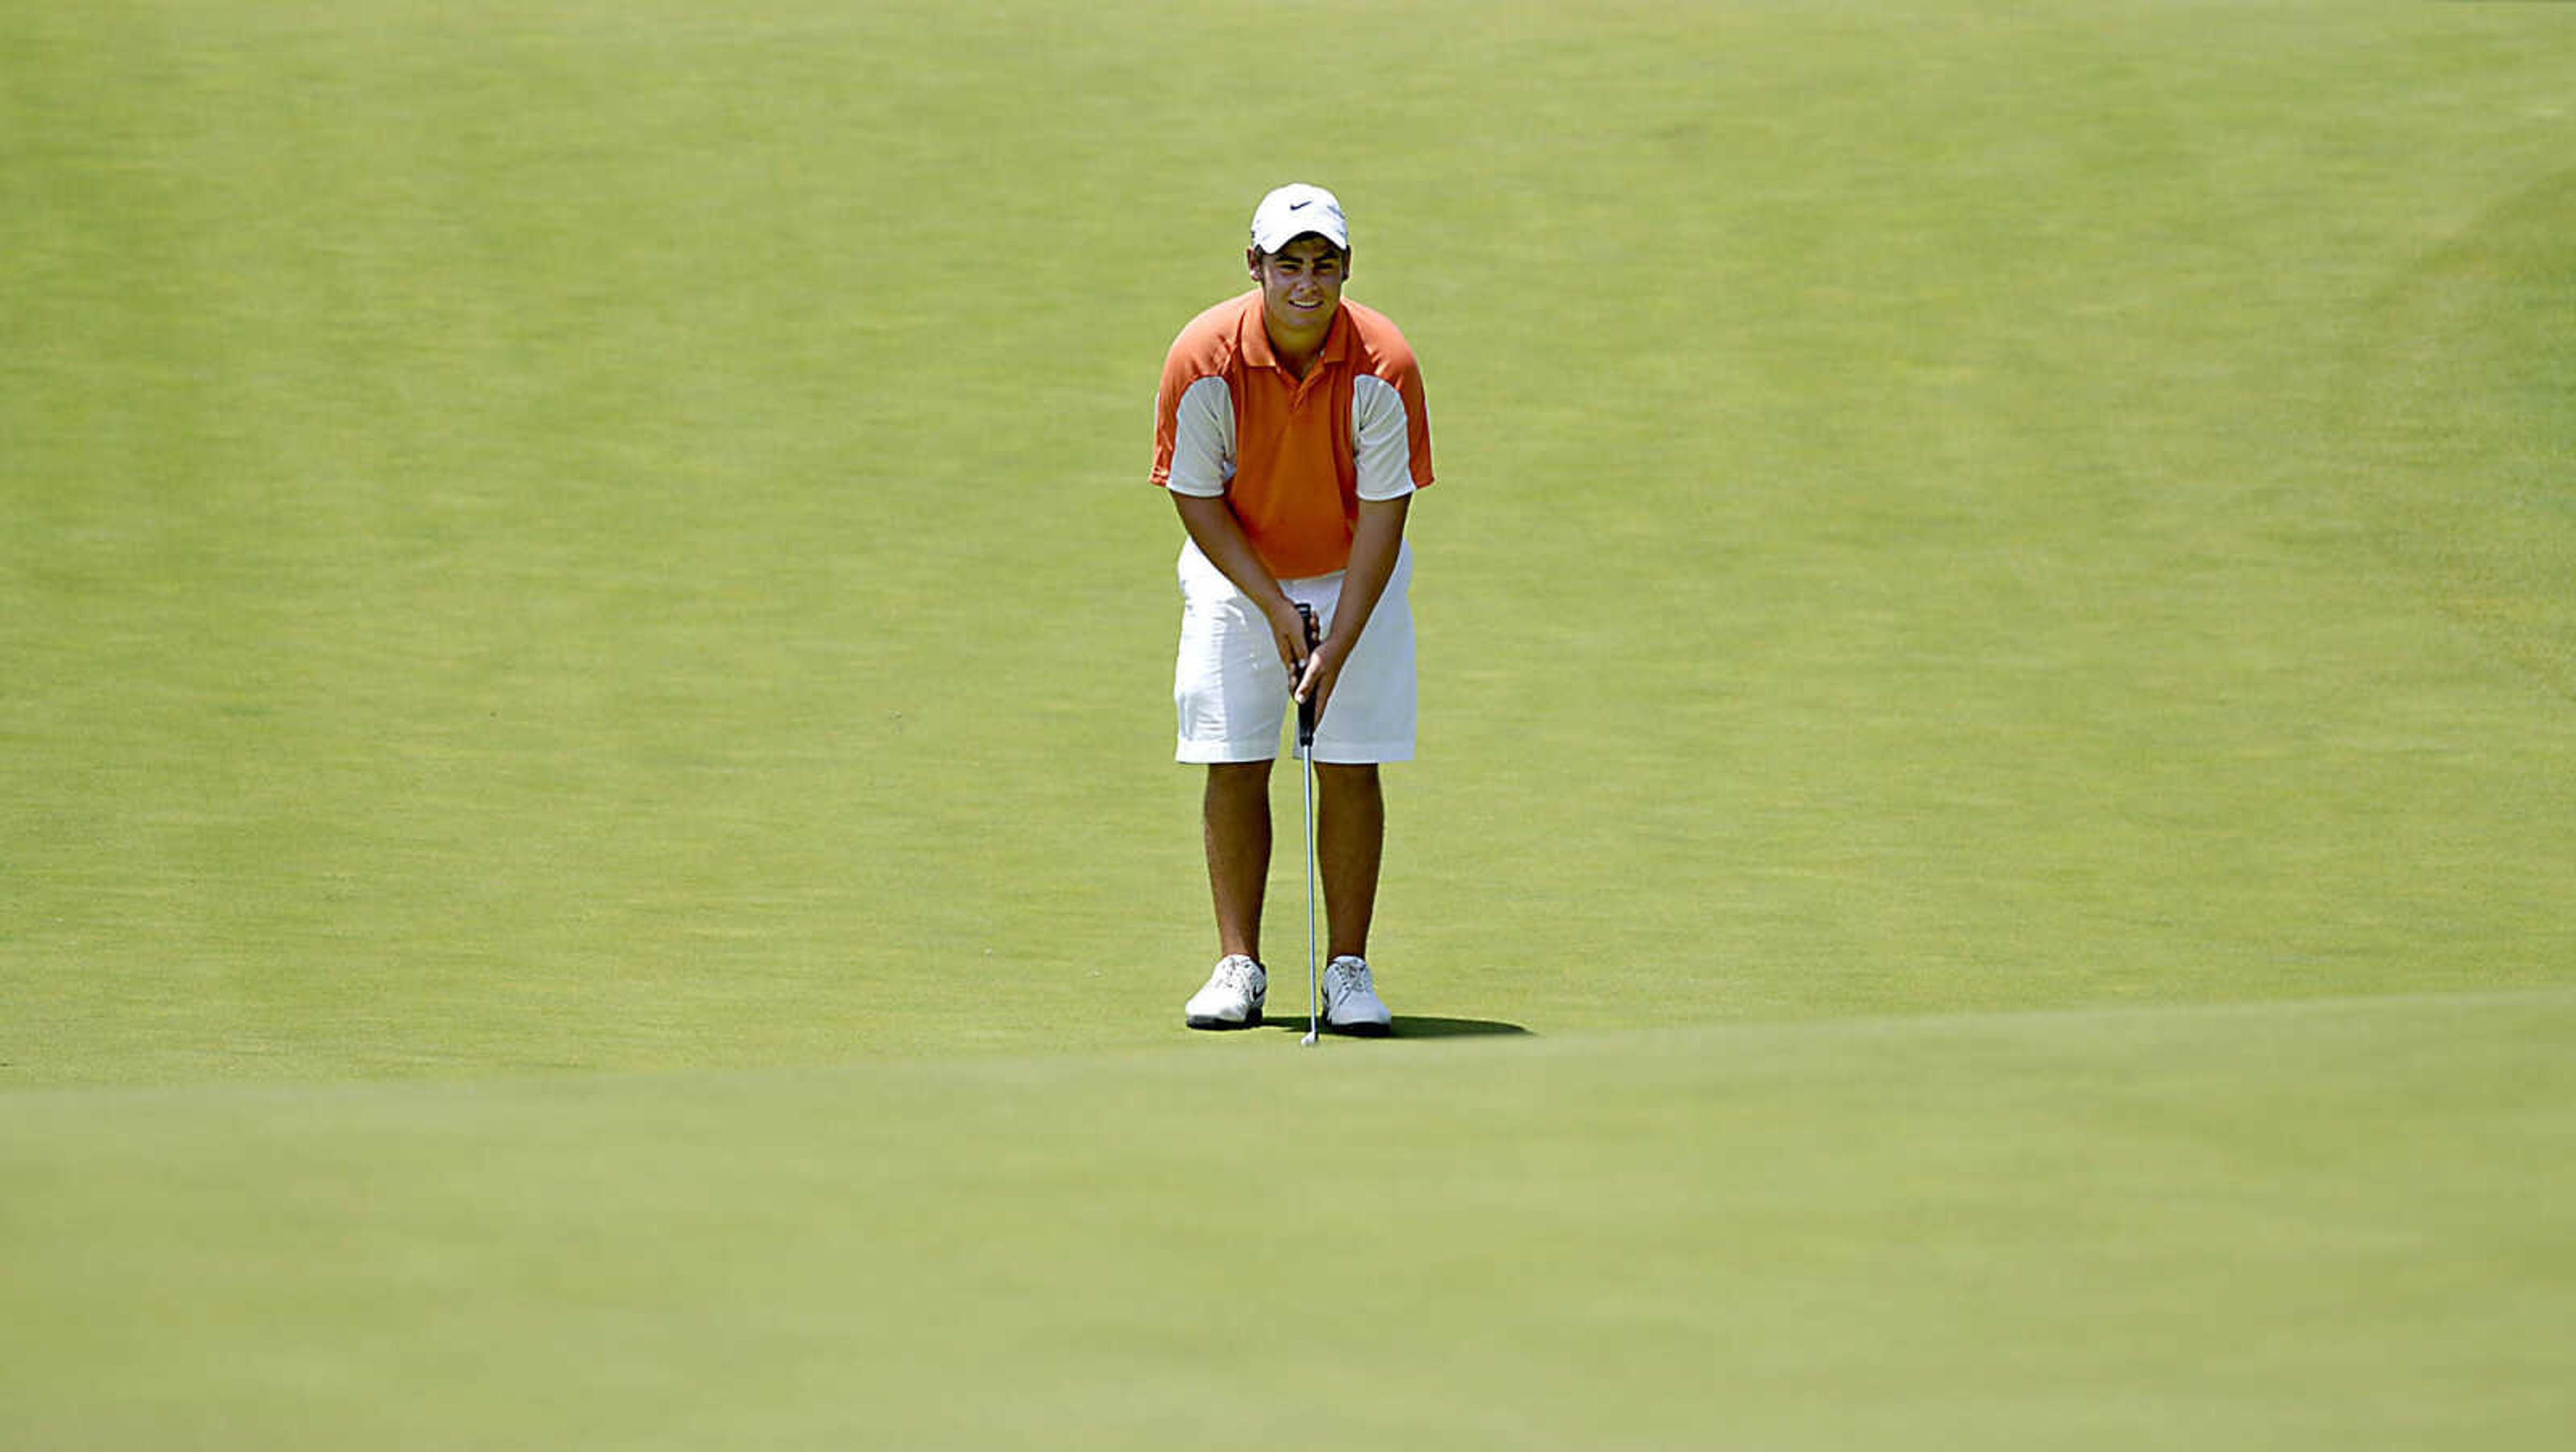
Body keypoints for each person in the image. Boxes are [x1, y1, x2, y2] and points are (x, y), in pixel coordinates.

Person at [1149, 183, 1435, 1036]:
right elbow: (1196, 497)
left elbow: (1387, 512)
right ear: (1255, 267)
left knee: (1350, 760)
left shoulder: (1385, 365)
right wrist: (1274, 606)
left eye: (1325, 265)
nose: (1307, 283)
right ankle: (1239, 963)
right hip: (1238, 576)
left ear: (1345, 269)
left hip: (1358, 572)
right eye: (1288, 264)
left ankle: (1347, 969)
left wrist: (1334, 645)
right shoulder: (1202, 359)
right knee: (1232, 753)